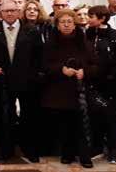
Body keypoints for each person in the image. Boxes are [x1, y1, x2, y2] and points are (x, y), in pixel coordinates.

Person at [40, 9, 97, 168]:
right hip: (59, 91)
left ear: (74, 24)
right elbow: (45, 65)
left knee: (83, 124)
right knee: (64, 124)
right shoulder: (51, 43)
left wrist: (84, 71)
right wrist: (61, 69)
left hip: (81, 91)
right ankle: (67, 153)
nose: (66, 25)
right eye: (62, 22)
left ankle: (85, 155)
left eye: (69, 22)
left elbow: (95, 64)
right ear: (57, 25)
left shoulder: (83, 42)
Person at [0, 1, 43, 162]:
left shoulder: (32, 30)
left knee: (29, 115)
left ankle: (29, 149)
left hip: (27, 80)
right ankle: (6, 149)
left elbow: (39, 56)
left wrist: (35, 75)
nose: (9, 13)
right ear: (0, 13)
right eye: (6, 11)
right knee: (5, 115)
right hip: (4, 80)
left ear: (19, 12)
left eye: (13, 10)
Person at [85, 5, 116, 164]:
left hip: (110, 85)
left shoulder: (115, 35)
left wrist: (110, 76)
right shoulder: (87, 34)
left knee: (111, 117)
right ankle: (97, 146)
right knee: (94, 116)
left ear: (101, 18)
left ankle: (114, 150)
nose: (88, 19)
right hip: (91, 83)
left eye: (91, 16)